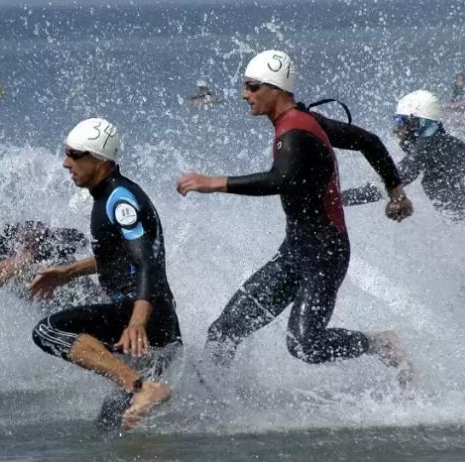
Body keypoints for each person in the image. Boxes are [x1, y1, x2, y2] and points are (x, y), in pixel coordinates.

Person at [176, 50, 414, 385]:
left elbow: (281, 179)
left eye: (252, 87)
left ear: (276, 89)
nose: (245, 95)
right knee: (224, 330)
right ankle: (212, 405)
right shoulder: (305, 121)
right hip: (295, 251)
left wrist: (215, 182)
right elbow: (369, 141)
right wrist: (396, 192)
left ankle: (380, 343)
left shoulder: (296, 132)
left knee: (305, 344)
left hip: (325, 254)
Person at [29, 118, 182, 431]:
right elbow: (118, 255)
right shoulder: (107, 195)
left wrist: (137, 322)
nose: (65, 162)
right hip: (153, 322)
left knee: (48, 331)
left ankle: (142, 387)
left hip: (144, 319)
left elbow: (146, 263)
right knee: (111, 427)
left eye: (74, 154)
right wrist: (68, 272)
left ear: (98, 159)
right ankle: (142, 391)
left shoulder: (120, 200)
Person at [343, 90, 465, 224]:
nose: (395, 130)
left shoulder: (428, 147)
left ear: (417, 122)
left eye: (399, 122)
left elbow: (390, 183)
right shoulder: (446, 143)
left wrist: (336, 198)